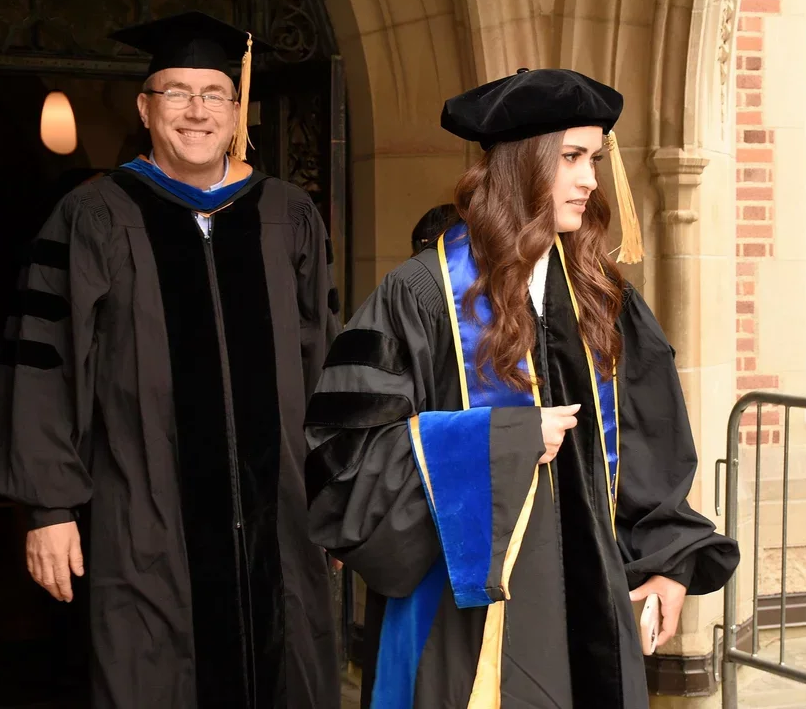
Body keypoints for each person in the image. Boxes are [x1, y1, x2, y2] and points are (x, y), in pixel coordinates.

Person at [303, 68, 740, 708]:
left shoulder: (602, 299)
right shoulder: (420, 297)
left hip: (592, 600)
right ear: (518, 167)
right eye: (570, 158)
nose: (590, 179)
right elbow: (343, 459)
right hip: (464, 616)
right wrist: (501, 441)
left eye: (593, 158)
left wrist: (668, 562)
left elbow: (653, 441)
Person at [0, 12, 341, 709]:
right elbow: (42, 361)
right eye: (176, 92)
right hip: (143, 512)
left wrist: (336, 493)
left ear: (236, 111)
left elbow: (324, 360)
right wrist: (49, 508)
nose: (197, 110)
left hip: (280, 515)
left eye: (213, 93)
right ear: (147, 109)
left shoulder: (288, 214)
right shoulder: (91, 216)